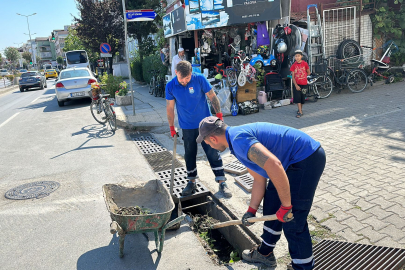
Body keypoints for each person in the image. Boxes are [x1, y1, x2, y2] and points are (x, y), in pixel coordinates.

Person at [196, 116, 326, 270]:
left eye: (208, 143)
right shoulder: (234, 141)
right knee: (271, 203)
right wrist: (251, 210)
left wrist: (286, 205)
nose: (209, 146)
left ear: (213, 138)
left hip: (306, 158)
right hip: (292, 162)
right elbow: (259, 178)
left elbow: (274, 165)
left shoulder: (239, 141)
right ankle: (265, 254)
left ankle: (303, 267)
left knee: (293, 220)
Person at [166, 61, 232, 198]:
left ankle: (222, 182)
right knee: (189, 154)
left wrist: (219, 115)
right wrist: (171, 127)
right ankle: (191, 182)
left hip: (206, 125)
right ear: (176, 73)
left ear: (191, 73)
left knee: (212, 152)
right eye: (181, 79)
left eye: (187, 79)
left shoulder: (199, 78)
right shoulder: (171, 86)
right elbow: (170, 108)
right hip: (187, 126)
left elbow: (212, 97)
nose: (184, 82)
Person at [290, 50, 310, 118]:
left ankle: (300, 109)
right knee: (298, 98)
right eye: (296, 56)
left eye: (298, 56)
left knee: (302, 98)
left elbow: (308, 72)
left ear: (301, 56)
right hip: (297, 84)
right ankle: (300, 112)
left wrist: (303, 76)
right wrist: (296, 85)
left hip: (304, 83)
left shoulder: (305, 64)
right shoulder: (293, 66)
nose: (297, 57)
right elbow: (293, 76)